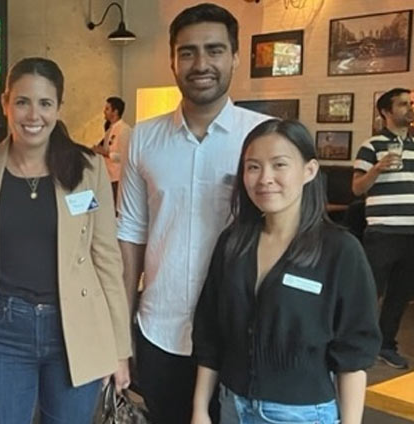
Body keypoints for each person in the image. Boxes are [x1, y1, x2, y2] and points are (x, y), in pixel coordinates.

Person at [0, 57, 131, 424]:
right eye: (22, 102)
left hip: (75, 328)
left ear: (58, 108)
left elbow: (107, 260)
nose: (33, 114)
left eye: (45, 103)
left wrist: (119, 349)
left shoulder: (88, 168)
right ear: (5, 103)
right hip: (2, 329)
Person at [117, 4, 269, 423]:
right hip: (159, 328)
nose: (201, 63)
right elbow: (131, 234)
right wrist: (122, 327)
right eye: (188, 52)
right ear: (172, 60)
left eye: (214, 50)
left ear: (236, 57)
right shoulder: (144, 138)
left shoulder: (262, 138)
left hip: (242, 330)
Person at [192, 119, 381, 424]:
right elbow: (210, 332)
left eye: (279, 165)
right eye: (253, 167)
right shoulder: (233, 241)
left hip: (301, 414)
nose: (265, 178)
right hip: (232, 405)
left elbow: (353, 355)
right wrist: (200, 409)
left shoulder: (340, 250)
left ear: (309, 170)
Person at [352, 87, 414, 369]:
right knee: (369, 291)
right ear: (386, 112)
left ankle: (386, 345)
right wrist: (376, 169)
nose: (409, 108)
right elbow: (356, 188)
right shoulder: (372, 146)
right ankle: (353, 342)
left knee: (400, 295)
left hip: (411, 233)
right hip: (383, 231)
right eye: (403, 104)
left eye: (410, 103)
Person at [92, 96, 132, 205]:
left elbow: (125, 156)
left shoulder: (124, 129)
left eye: (107, 109)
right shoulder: (110, 129)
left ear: (115, 111)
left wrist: (106, 153)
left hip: (117, 178)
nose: (104, 112)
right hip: (107, 176)